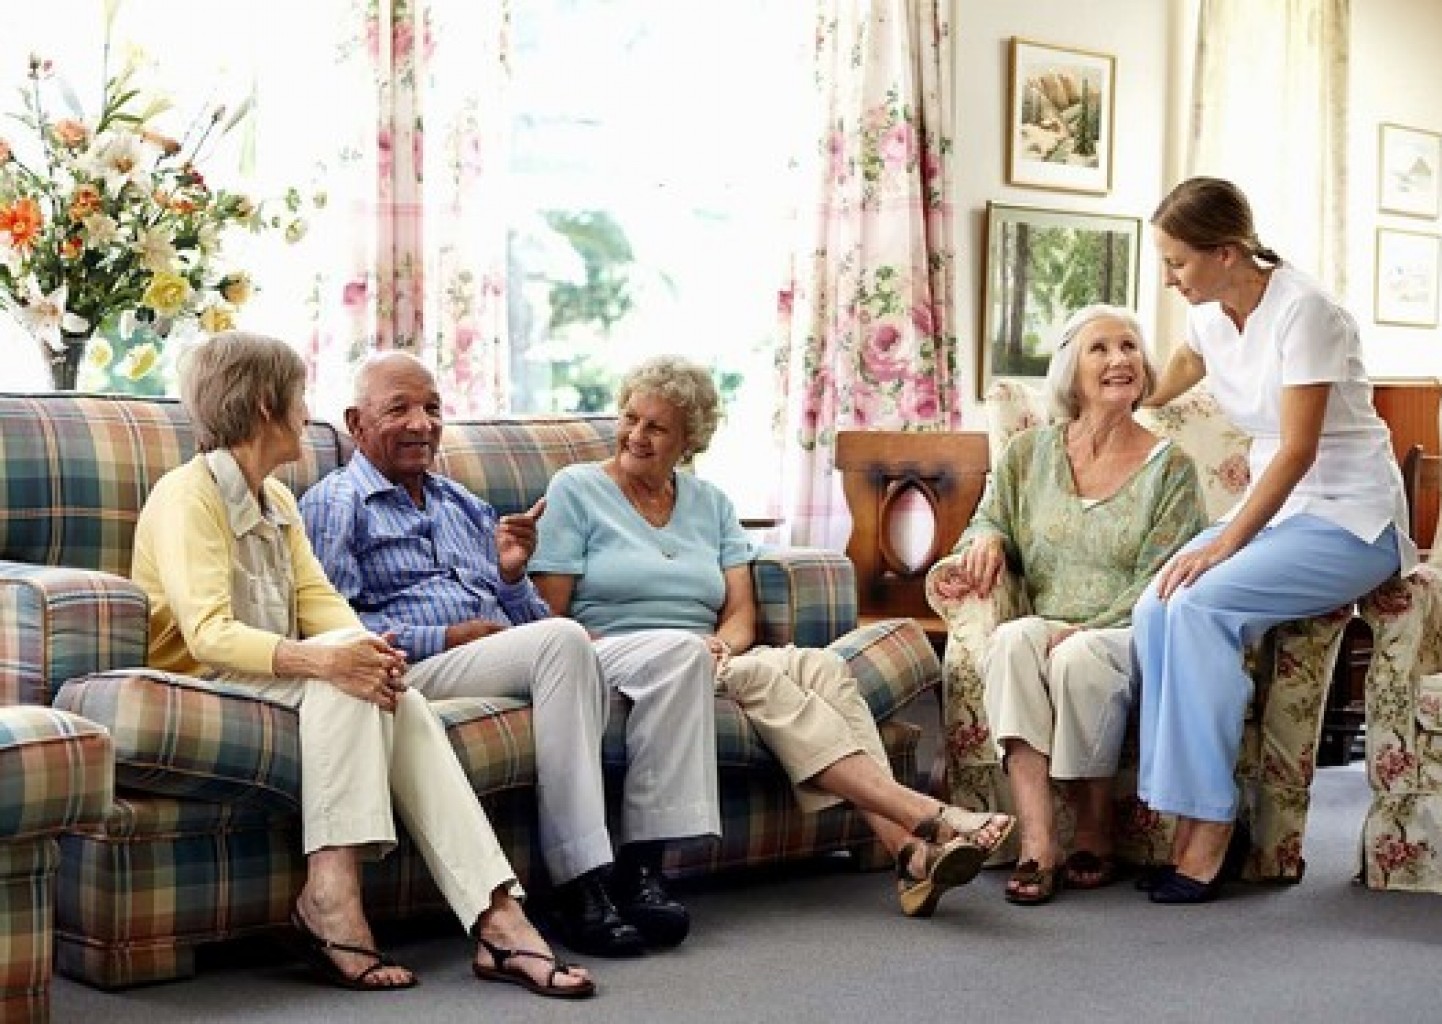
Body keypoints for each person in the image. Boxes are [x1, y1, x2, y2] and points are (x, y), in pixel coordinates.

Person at [133, 332, 594, 997]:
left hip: (268, 677)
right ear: (265, 405)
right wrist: (328, 660)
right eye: (299, 397)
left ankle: (499, 916)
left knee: (385, 687)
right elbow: (207, 635)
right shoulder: (186, 496)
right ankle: (332, 897)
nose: (307, 413)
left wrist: (370, 655)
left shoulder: (276, 499)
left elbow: (321, 601)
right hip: (201, 683)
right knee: (343, 679)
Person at [528, 355, 1015, 919]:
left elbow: (741, 614)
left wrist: (722, 646)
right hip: (622, 656)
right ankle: (926, 814)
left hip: (710, 654)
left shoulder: (709, 504)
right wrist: (685, 651)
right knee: (761, 678)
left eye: (656, 427)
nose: (636, 435)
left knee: (825, 669)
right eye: (631, 418)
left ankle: (908, 854)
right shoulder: (577, 489)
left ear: (688, 441)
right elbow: (550, 616)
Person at [300, 351, 719, 958]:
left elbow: (532, 623)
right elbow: (331, 626)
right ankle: (579, 882)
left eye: (432, 408)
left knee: (679, 654)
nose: (421, 423)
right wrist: (446, 637)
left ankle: (641, 870)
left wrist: (512, 577)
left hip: (498, 652)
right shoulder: (335, 503)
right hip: (415, 667)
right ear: (355, 422)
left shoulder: (461, 503)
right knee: (562, 641)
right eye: (399, 409)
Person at [1134, 177, 1414, 904]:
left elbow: (1297, 450)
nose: (1168, 278)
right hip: (1285, 517)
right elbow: (1187, 365)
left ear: (1227, 252)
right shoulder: (1210, 312)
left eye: (1177, 262)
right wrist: (1131, 391)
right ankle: (1173, 815)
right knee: (1155, 605)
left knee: (1200, 604)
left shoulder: (1306, 312)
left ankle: (1210, 828)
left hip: (1351, 519)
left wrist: (1224, 545)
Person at [937, 305, 1206, 906]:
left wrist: (1086, 626)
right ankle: (1038, 841)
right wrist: (988, 537)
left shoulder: (1172, 470)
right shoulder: (1028, 453)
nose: (1120, 360)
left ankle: (1093, 826)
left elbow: (1164, 578)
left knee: (1077, 657)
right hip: (1047, 620)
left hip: (1128, 629)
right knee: (1012, 640)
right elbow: (989, 516)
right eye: (1100, 349)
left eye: (1130, 347)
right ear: (1071, 371)